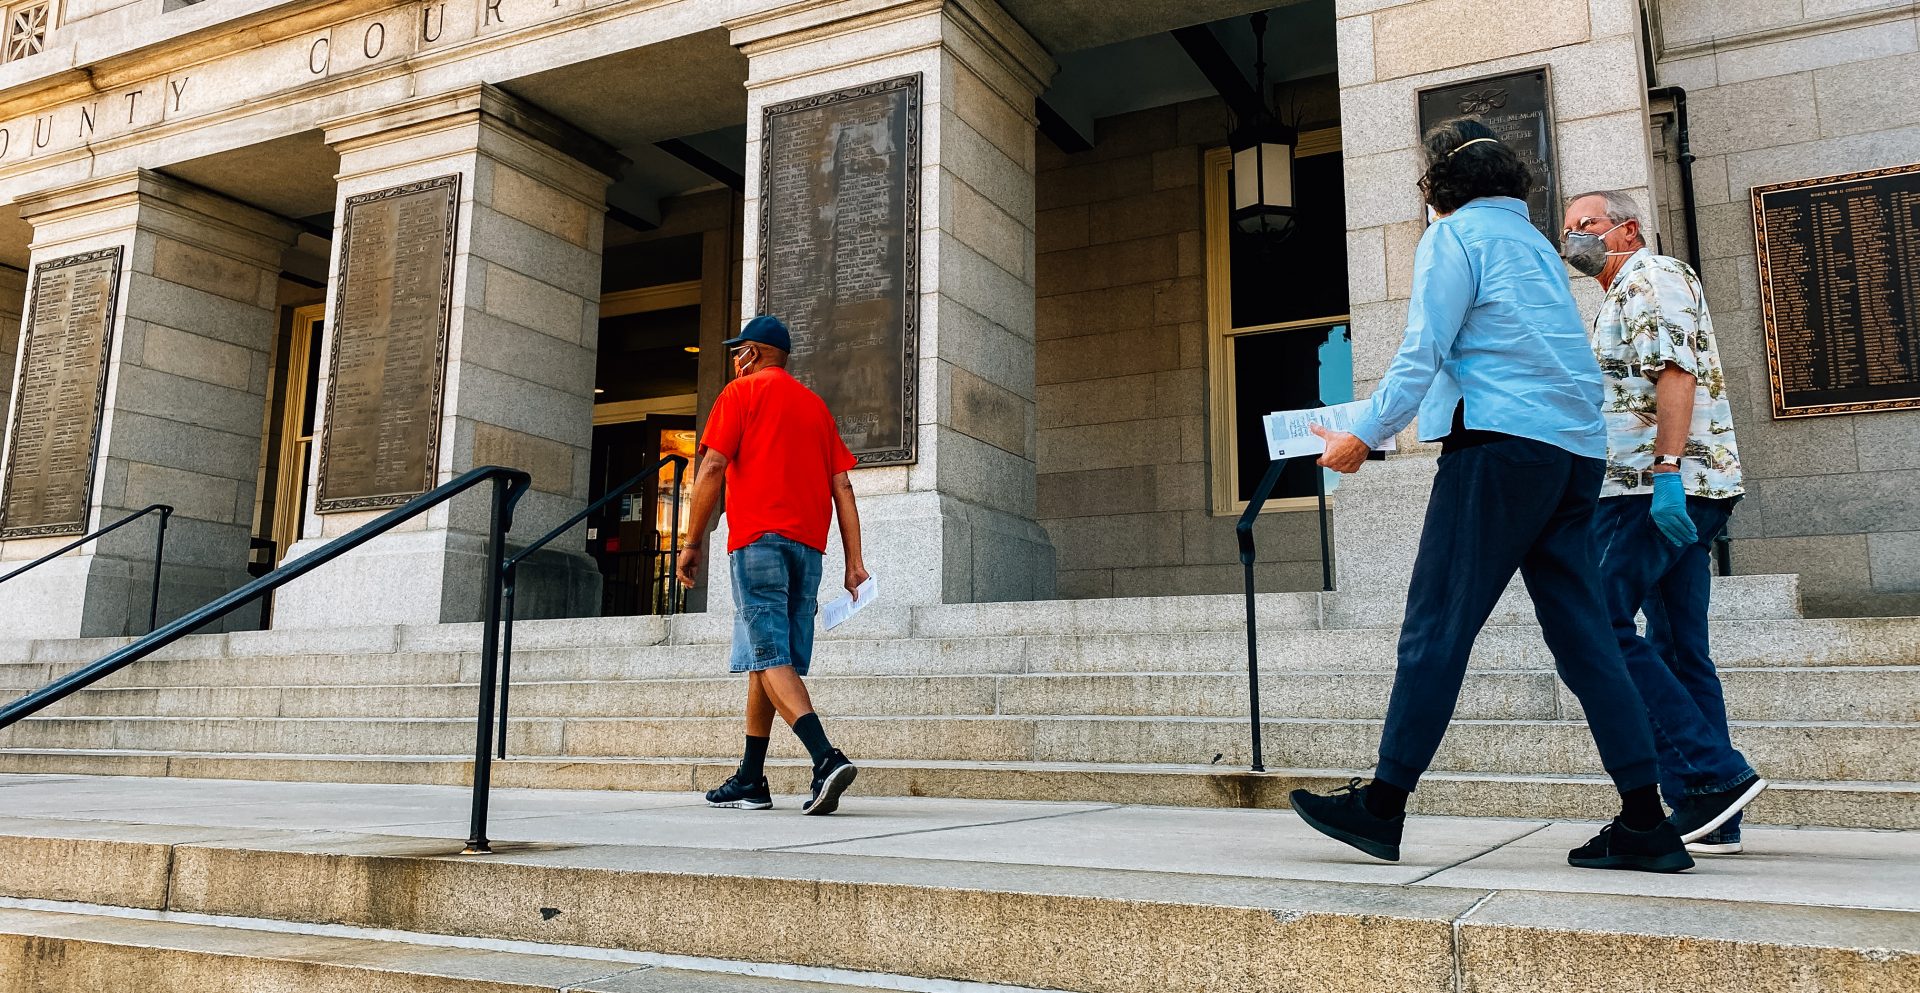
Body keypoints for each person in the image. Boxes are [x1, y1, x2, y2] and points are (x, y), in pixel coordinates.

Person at [1288, 119, 1692, 873]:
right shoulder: (1537, 246)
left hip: (1498, 451)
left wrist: (1364, 433)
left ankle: (1383, 804)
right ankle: (1647, 818)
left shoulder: (1454, 237)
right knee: (1586, 638)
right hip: (1571, 457)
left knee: (1436, 624)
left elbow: (1423, 349)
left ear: (1440, 179)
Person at [1562, 190, 1764, 855]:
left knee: (1599, 626)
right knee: (1678, 646)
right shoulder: (1621, 294)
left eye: (1586, 224)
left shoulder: (1652, 274)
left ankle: (1711, 776)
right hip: (1664, 488)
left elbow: (1675, 373)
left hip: (1652, 489)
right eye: (1566, 229)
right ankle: (1713, 814)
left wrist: (1668, 472)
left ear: (1627, 228)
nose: (1574, 238)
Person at [676, 314, 867, 815]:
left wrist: (692, 539)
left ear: (753, 354)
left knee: (767, 654)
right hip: (809, 548)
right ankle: (750, 778)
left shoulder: (739, 395)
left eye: (739, 350)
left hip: (758, 541)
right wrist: (854, 562)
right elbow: (842, 486)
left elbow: (713, 466)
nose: (735, 359)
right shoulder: (816, 408)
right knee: (769, 656)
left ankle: (825, 757)